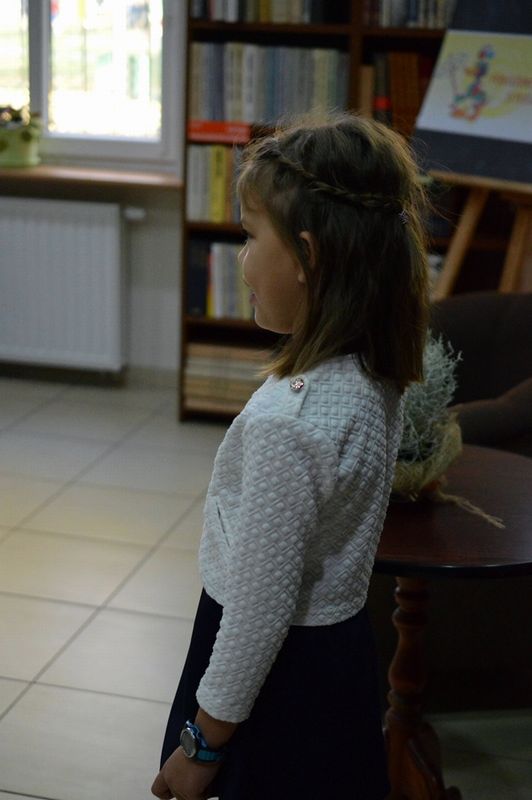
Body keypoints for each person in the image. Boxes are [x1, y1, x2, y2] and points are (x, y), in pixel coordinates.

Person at [151, 112, 429, 800]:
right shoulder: (374, 374)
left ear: (308, 257)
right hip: (339, 658)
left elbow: (257, 612)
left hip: (272, 689)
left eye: (250, 237)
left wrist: (203, 746)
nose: (240, 259)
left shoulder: (290, 421)